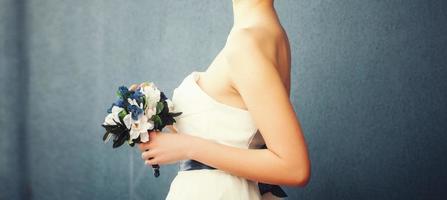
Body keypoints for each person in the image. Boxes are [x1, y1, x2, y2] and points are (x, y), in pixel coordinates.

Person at [131, 0, 310, 199]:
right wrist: (159, 113)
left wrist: (186, 147)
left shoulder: (246, 42)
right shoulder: (267, 32)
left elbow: (295, 168)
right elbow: (238, 133)